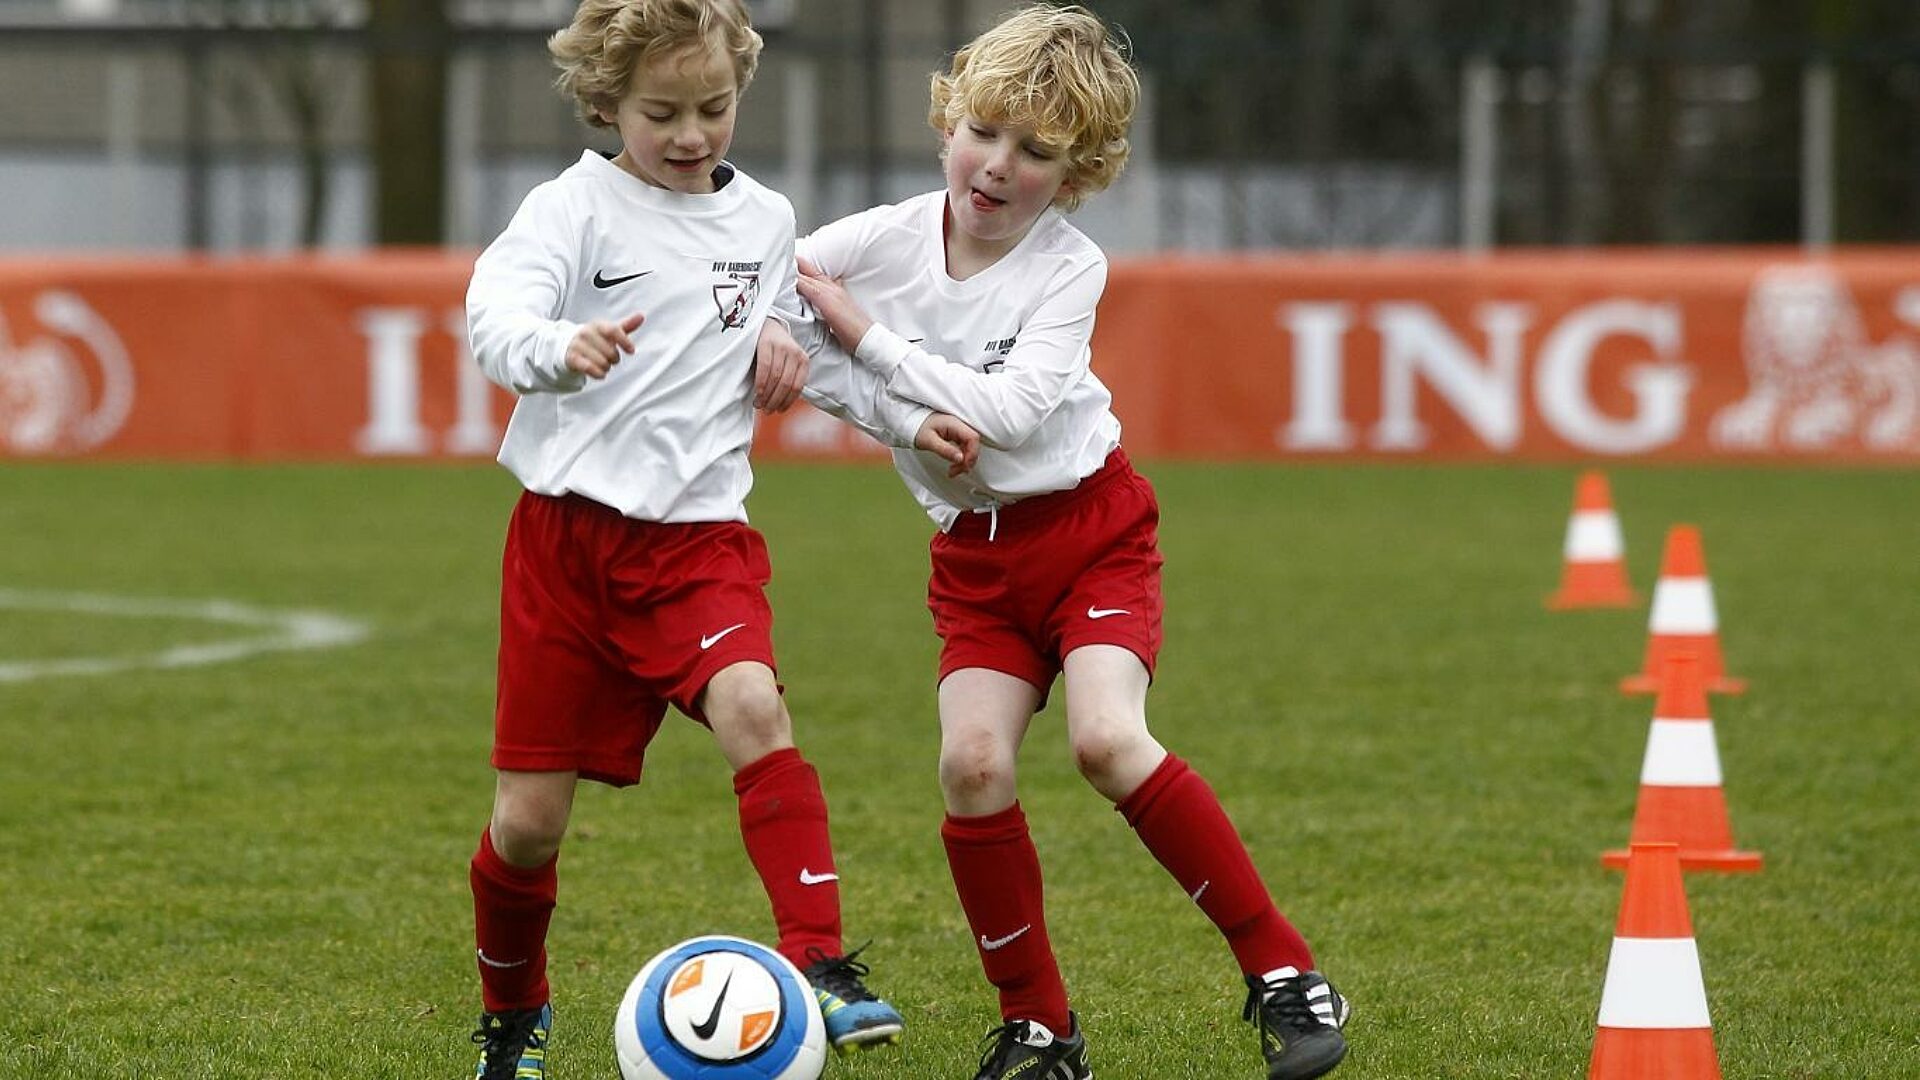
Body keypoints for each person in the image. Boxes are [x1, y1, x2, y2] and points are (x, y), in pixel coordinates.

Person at [772, 5, 1354, 1078]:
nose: (999, 165)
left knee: (1106, 742)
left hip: (1091, 533)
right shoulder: (880, 236)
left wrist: (862, 334)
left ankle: (1284, 972)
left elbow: (1007, 413)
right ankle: (1040, 1030)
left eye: (1036, 151)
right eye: (984, 131)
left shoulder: (1067, 267)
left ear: (1078, 174)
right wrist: (877, 396)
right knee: (971, 765)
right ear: (948, 122)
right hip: (976, 559)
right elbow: (772, 304)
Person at [460, 2, 977, 1075]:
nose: (692, 134)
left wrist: (888, 406)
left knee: (754, 706)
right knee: (527, 826)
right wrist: (561, 347)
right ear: (607, 103)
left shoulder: (765, 222)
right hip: (564, 551)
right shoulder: (569, 210)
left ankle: (823, 965)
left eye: (714, 106)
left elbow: (801, 351)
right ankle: (514, 1016)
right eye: (662, 113)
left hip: (699, 544)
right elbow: (495, 322)